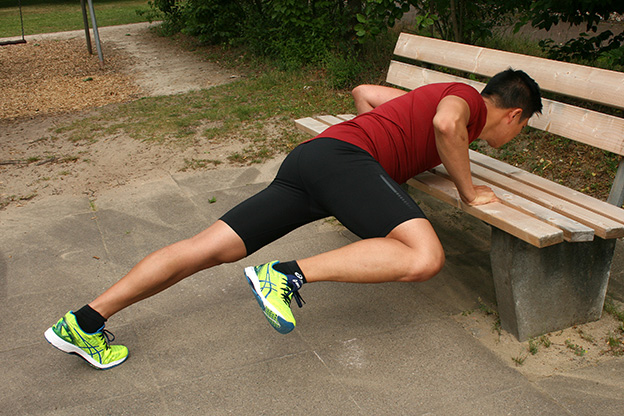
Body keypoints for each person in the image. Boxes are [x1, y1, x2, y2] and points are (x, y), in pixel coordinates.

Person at [44, 68, 542, 370]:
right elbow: (446, 124)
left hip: (312, 160)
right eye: (522, 129)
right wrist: (470, 192)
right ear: (516, 114)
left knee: (207, 247)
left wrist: (398, 158)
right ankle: (285, 276)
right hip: (346, 165)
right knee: (425, 256)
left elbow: (366, 94)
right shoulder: (467, 103)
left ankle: (84, 322)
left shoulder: (435, 93)